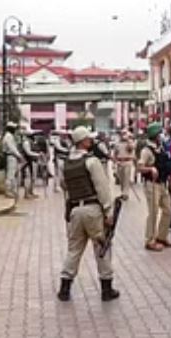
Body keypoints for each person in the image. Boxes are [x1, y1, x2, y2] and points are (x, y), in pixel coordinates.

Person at [57, 126, 120, 302]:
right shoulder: (92, 162)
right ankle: (106, 289)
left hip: (75, 211)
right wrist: (108, 211)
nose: (91, 141)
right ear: (83, 141)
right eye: (88, 139)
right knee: (102, 248)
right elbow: (102, 187)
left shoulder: (65, 164)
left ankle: (65, 287)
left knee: (74, 249)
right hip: (93, 210)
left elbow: (64, 186)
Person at [137, 122, 171, 251]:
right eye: (159, 134)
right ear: (155, 135)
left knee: (168, 210)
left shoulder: (161, 148)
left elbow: (165, 165)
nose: (162, 136)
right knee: (153, 212)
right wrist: (150, 169)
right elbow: (139, 167)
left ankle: (161, 237)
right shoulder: (147, 151)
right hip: (152, 184)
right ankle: (150, 240)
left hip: (163, 183)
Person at [2, 121, 23, 198]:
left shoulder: (10, 136)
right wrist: (19, 156)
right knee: (10, 175)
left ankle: (12, 190)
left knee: (13, 175)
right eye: (14, 128)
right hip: (10, 156)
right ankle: (8, 191)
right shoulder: (8, 136)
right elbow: (12, 148)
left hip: (13, 157)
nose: (15, 130)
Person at [113, 130, 136, 200]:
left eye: (124, 133)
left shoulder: (130, 142)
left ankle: (125, 194)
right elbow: (115, 153)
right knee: (121, 179)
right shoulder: (117, 143)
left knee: (126, 178)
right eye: (122, 133)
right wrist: (115, 162)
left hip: (127, 162)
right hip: (120, 162)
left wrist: (128, 140)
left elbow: (130, 149)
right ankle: (123, 192)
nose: (123, 135)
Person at [20, 128, 42, 199]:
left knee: (33, 178)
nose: (34, 136)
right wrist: (37, 155)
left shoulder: (32, 142)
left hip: (33, 162)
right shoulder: (26, 142)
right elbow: (28, 152)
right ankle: (26, 193)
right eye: (33, 135)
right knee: (28, 178)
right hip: (27, 162)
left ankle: (31, 192)